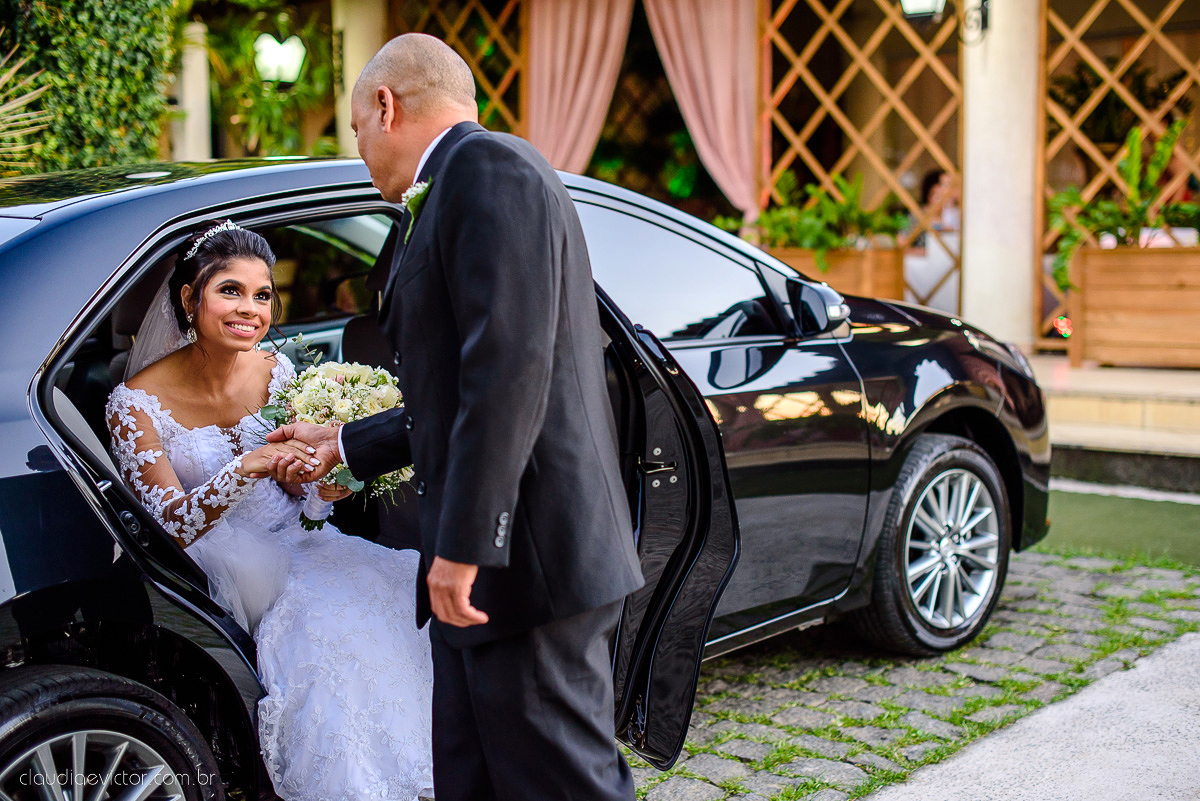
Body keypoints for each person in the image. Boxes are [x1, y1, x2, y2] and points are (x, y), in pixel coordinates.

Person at [265, 33, 645, 801]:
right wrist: (341, 439)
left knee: (559, 785)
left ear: (385, 104)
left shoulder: (488, 169)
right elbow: (455, 391)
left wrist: (467, 544)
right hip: (485, 577)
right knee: (474, 780)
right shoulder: (448, 187)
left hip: (527, 568)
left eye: (356, 128)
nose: (361, 149)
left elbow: (508, 369)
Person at [105, 222, 434, 801]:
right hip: (228, 566)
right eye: (230, 290)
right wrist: (245, 468)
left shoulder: (277, 371)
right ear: (190, 298)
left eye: (262, 295)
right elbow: (170, 526)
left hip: (304, 544)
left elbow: (302, 496)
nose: (250, 310)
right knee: (323, 619)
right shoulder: (135, 404)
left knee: (404, 585)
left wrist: (322, 487)